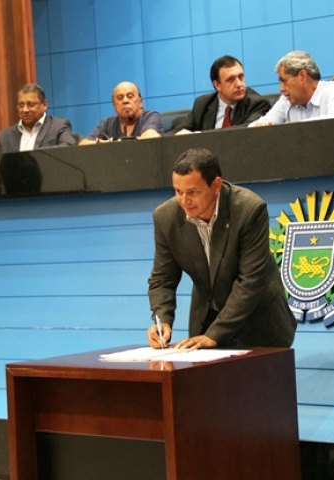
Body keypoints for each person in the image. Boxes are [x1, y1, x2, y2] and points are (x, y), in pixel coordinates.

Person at [146, 148, 297, 350]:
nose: (184, 200)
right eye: (178, 191)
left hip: (260, 323)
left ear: (216, 185)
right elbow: (163, 279)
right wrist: (162, 320)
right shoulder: (166, 217)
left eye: (192, 192)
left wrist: (215, 335)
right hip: (206, 322)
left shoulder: (249, 209)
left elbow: (250, 281)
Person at [249, 51, 334, 126]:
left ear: (303, 76)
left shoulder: (332, 90)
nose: (281, 88)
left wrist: (290, 128)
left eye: (284, 81)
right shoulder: (286, 100)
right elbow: (259, 126)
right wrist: (260, 126)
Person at [172, 55, 271, 134]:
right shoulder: (202, 104)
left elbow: (245, 130)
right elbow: (179, 132)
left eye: (241, 77)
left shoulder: (257, 103)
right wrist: (157, 135)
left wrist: (198, 134)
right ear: (217, 85)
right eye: (230, 80)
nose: (239, 84)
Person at [0, 83, 77, 153]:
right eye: (21, 105)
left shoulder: (59, 126)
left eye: (30, 104)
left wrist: (34, 156)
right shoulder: (4, 136)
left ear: (44, 105)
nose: (25, 110)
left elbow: (68, 149)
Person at [79, 82, 163, 145]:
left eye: (130, 96)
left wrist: (115, 143)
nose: (125, 101)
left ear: (140, 102)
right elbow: (83, 144)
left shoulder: (150, 116)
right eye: (120, 98)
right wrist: (101, 143)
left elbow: (149, 138)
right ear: (114, 105)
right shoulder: (107, 123)